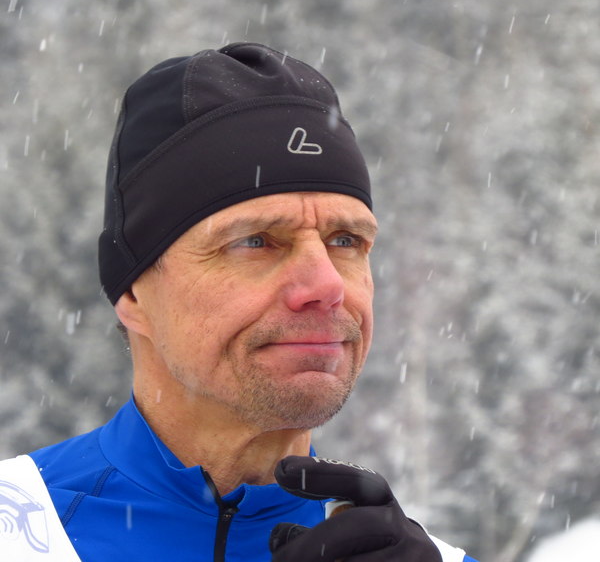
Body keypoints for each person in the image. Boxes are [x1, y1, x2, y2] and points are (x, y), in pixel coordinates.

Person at [0, 42, 479, 562]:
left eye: (346, 241)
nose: (326, 285)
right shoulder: (20, 530)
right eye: (255, 241)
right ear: (134, 291)